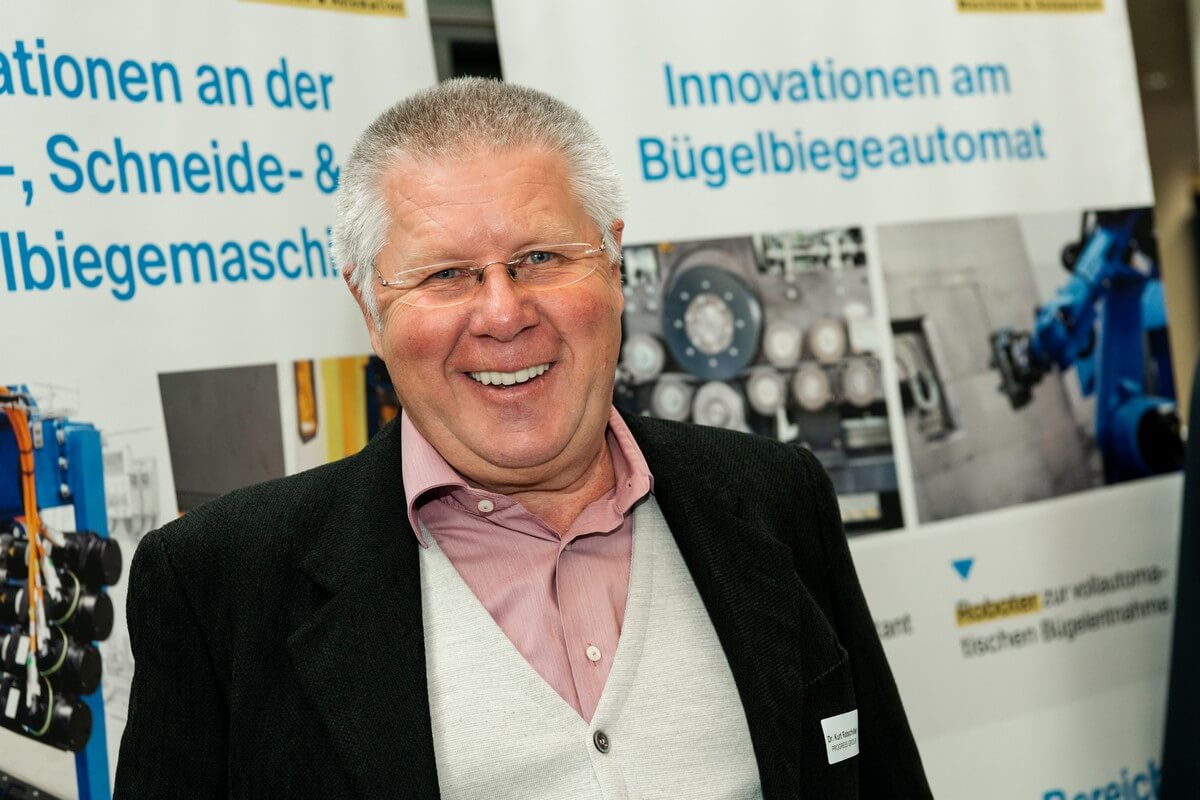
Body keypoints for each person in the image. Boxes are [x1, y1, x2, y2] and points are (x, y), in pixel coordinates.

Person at [114, 77, 931, 799]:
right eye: (445, 274)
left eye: (540, 257)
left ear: (614, 266)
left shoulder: (775, 497)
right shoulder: (219, 585)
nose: (503, 314)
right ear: (369, 307)